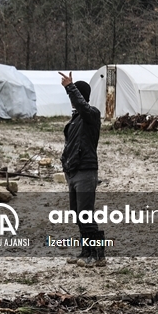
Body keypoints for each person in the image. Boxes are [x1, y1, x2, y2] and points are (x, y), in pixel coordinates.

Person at [59, 72, 105, 267]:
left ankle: (98, 255)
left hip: (86, 171)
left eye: (74, 95)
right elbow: (69, 146)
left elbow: (82, 106)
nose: (71, 100)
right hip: (74, 172)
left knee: (86, 214)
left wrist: (70, 87)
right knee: (78, 213)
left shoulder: (91, 115)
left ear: (80, 95)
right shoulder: (75, 120)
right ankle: (86, 252)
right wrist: (65, 167)